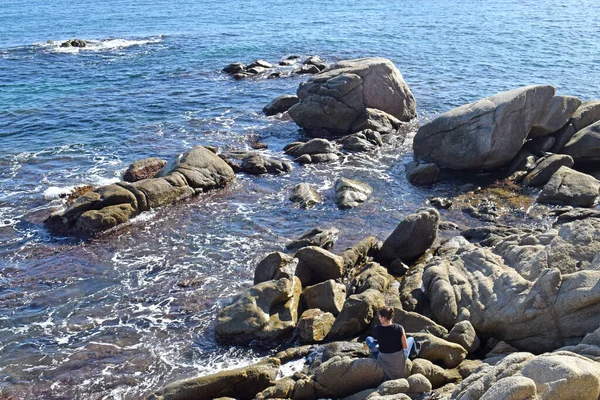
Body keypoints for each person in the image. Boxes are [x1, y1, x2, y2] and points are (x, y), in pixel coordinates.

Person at [366, 306, 408, 380]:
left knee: (368, 339)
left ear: (383, 318)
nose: (379, 318)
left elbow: (376, 340)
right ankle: (415, 353)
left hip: (384, 359)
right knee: (411, 339)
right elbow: (405, 347)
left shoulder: (377, 329)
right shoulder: (399, 328)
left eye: (379, 317)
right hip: (398, 359)